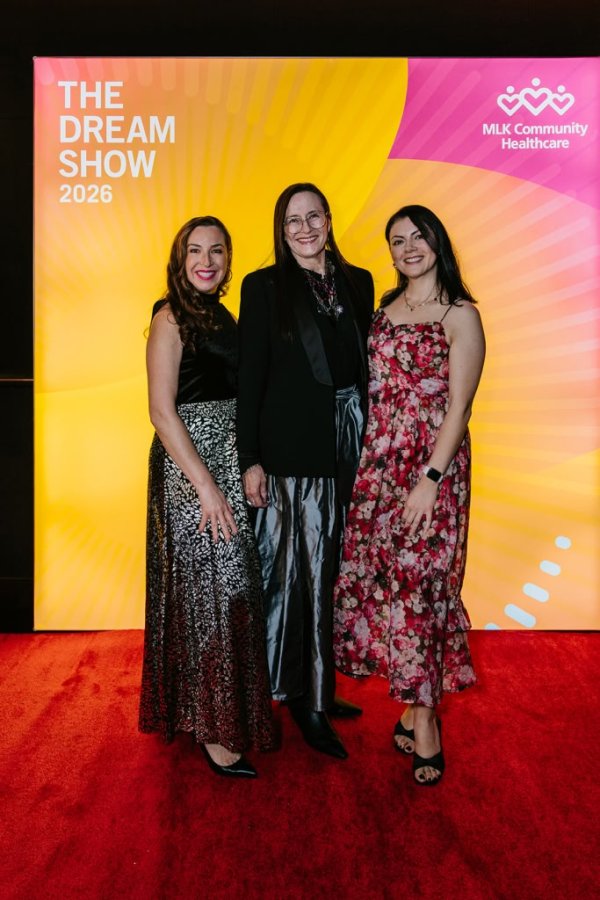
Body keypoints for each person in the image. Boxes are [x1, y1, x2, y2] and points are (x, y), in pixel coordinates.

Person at [333, 205, 486, 785]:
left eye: (417, 237)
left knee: (425, 587)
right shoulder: (383, 312)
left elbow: (460, 407)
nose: (407, 248)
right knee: (388, 584)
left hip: (430, 474)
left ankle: (425, 721)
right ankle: (409, 700)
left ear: (436, 241)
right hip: (378, 469)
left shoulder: (460, 315)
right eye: (397, 241)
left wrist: (430, 480)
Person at [236, 183, 375, 759]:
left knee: (335, 569)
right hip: (291, 455)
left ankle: (319, 683)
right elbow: (251, 379)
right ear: (280, 228)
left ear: (328, 218)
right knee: (293, 577)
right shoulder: (263, 287)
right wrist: (251, 459)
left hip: (351, 445)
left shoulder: (359, 282)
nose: (303, 228)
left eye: (312, 215)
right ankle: (299, 699)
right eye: (291, 220)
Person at [139, 215, 274, 778]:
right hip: (189, 464)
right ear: (180, 257)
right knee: (208, 596)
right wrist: (208, 488)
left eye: (217, 251)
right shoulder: (168, 316)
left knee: (230, 590)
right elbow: (161, 412)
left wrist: (250, 461)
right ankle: (214, 731)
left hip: (226, 455)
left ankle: (216, 712)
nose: (207, 260)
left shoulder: (223, 314)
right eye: (196, 250)